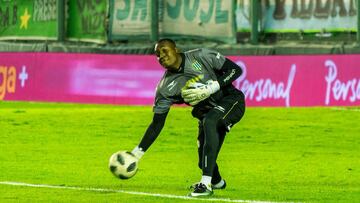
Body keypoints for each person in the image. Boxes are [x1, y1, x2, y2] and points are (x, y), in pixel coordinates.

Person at [130, 38, 245, 197]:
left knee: (210, 121)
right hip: (207, 112)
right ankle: (217, 182)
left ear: (175, 49)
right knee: (203, 161)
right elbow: (157, 124)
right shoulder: (165, 88)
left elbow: (235, 70)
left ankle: (205, 185)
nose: (161, 56)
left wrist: (211, 87)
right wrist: (136, 153)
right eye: (157, 55)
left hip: (231, 101)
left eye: (164, 51)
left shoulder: (200, 56)